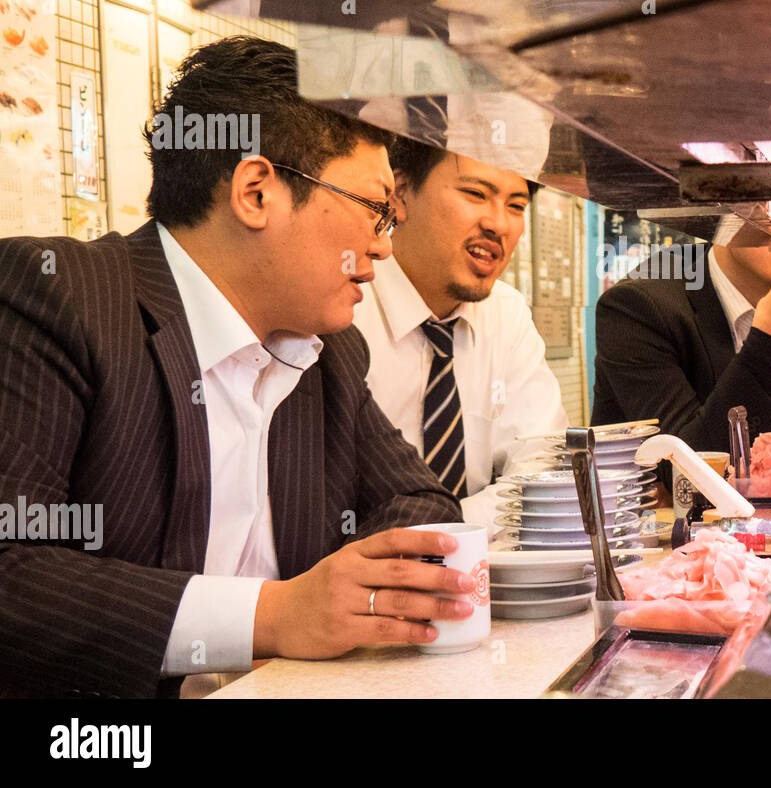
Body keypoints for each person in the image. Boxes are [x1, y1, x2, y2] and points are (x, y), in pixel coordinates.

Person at [0, 36, 473, 698]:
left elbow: (420, 501)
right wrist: (278, 614)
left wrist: (348, 593)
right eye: (373, 209)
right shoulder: (60, 298)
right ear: (256, 191)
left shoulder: (328, 351)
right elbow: (11, 571)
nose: (383, 245)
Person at [351, 138, 568, 530]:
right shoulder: (345, 303)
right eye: (475, 194)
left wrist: (441, 533)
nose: (498, 223)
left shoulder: (506, 313)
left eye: (516, 206)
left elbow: (544, 474)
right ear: (398, 194)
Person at [591, 223, 771, 455]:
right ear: (721, 210)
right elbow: (685, 466)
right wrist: (770, 343)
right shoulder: (637, 306)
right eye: (764, 207)